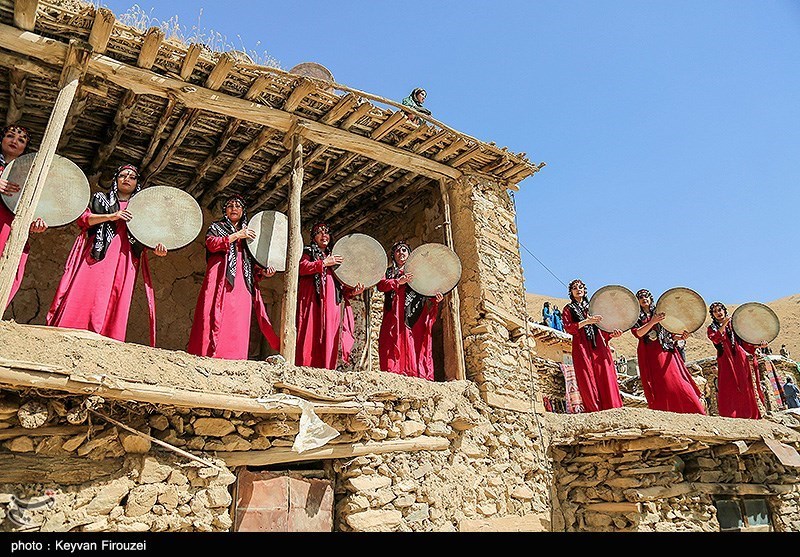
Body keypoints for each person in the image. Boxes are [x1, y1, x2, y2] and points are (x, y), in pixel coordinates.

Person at [46, 164, 167, 345]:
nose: (127, 179)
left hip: (126, 258)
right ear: (116, 179)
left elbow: (149, 236)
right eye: (123, 175)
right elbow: (85, 219)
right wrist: (112, 216)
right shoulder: (100, 199)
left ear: (137, 183)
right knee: (88, 289)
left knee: (116, 296)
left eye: (132, 177)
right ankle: (71, 330)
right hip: (98, 252)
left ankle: (107, 340)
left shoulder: (143, 210)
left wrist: (158, 249)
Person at [187, 194, 279, 360]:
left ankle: (235, 356)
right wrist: (235, 236)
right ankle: (208, 353)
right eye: (230, 206)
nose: (234, 208)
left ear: (243, 211)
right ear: (225, 211)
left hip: (242, 281)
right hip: (220, 277)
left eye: (238, 206)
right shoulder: (217, 227)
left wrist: (264, 272)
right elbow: (211, 244)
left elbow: (253, 261)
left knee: (238, 319)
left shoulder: (251, 235)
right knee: (213, 313)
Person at [295, 221, 364, 370]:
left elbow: (342, 284)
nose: (323, 235)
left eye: (326, 232)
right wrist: (323, 263)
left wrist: (353, 292)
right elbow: (301, 267)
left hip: (332, 302)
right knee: (310, 332)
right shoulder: (308, 251)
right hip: (312, 298)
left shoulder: (335, 256)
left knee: (330, 335)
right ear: (314, 237)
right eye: (319, 232)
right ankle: (305, 368)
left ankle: (327, 369)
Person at [630, 289, 705, 414]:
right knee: (661, 383)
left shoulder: (661, 312)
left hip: (667, 350)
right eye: (641, 297)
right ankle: (665, 410)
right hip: (651, 353)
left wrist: (681, 337)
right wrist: (652, 322)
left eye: (646, 296)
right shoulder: (636, 317)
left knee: (678, 381)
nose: (644, 299)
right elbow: (638, 333)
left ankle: (693, 409)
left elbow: (669, 333)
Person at [377, 241, 444, 380]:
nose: (401, 253)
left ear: (409, 254)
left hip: (415, 311)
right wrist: (397, 282)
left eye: (404, 250)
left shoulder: (418, 272)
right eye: (397, 251)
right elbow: (381, 286)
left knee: (416, 341)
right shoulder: (389, 272)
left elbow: (428, 289)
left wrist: (435, 298)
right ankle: (394, 372)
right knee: (392, 341)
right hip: (394, 313)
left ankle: (416, 374)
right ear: (393, 255)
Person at [0, 124, 48, 308]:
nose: (14, 141)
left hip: (10, 228)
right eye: (10, 136)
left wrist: (35, 223)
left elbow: (34, 207)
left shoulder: (28, 176)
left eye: (21, 140)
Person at [561, 279, 624, 412]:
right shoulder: (568, 309)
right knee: (586, 375)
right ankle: (594, 409)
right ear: (571, 292)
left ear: (585, 290)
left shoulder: (595, 307)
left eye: (581, 287)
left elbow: (604, 328)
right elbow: (568, 327)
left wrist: (612, 335)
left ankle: (612, 407)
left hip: (599, 343)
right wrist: (586, 322)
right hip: (581, 344)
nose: (578, 290)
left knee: (605, 373)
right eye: (574, 288)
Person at [707, 301, 767, 419]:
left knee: (745, 385)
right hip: (725, 359)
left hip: (739, 357)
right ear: (712, 315)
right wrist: (724, 324)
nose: (718, 313)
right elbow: (715, 339)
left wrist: (759, 345)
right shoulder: (711, 328)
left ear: (724, 310)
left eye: (720, 310)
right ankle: (731, 414)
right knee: (728, 386)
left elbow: (745, 341)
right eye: (715, 311)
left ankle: (749, 413)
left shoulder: (735, 324)